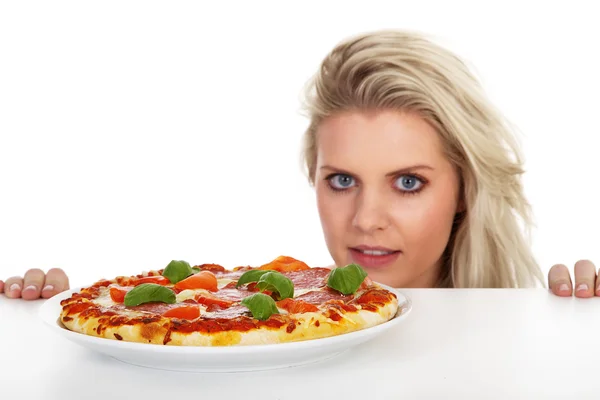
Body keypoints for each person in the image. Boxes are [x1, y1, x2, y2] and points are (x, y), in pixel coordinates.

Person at [1, 29, 596, 300]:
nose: (365, 220)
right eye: (342, 181)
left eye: (408, 182)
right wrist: (53, 339)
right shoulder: (255, 323)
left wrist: (575, 334)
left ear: (465, 190)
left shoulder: (538, 331)